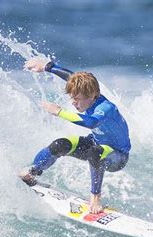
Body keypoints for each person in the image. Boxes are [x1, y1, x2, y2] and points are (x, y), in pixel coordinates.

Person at [20, 58, 131, 214]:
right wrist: (47, 67)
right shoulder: (88, 92)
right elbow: (72, 78)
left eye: (77, 99)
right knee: (60, 145)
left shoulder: (106, 108)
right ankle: (31, 173)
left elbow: (91, 123)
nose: (73, 102)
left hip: (116, 156)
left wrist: (59, 112)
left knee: (96, 152)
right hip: (97, 142)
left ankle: (95, 198)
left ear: (92, 95)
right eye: (72, 97)